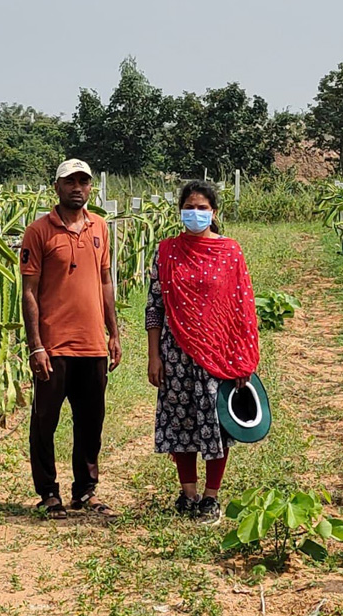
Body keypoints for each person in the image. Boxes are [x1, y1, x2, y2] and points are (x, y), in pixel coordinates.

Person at [146, 180, 260, 524]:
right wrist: (154, 355)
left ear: (214, 212)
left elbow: (242, 308)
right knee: (181, 422)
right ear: (180, 210)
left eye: (202, 208)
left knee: (215, 423)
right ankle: (188, 493)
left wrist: (244, 358)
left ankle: (211, 497)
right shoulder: (166, 251)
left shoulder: (230, 252)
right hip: (175, 354)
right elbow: (155, 307)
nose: (195, 213)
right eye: (189, 207)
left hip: (218, 354)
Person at [21, 159, 121, 519]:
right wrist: (36, 344)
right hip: (54, 345)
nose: (77, 187)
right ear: (57, 186)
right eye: (69, 181)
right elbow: (29, 291)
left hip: (93, 342)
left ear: (90, 187)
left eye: (83, 181)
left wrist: (114, 333)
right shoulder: (38, 232)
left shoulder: (100, 227)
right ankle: (48, 493)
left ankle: (86, 491)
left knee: (91, 420)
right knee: (45, 421)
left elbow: (106, 281)